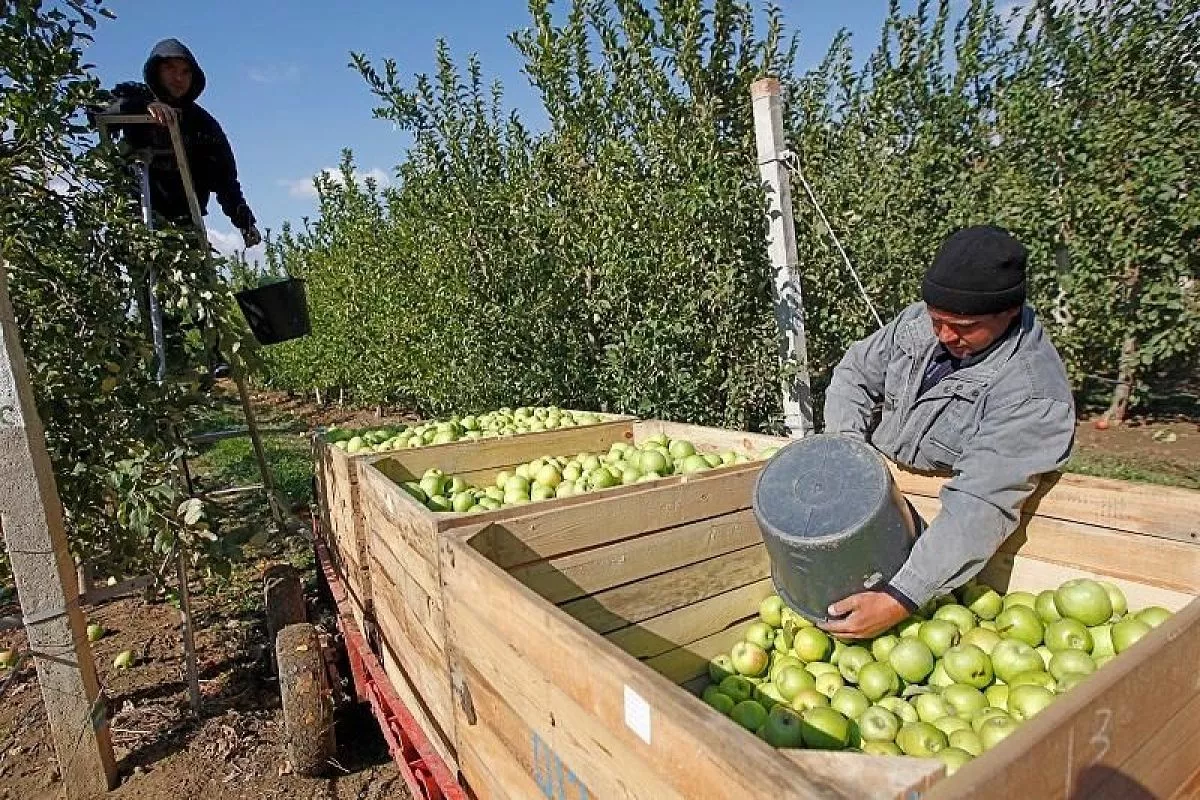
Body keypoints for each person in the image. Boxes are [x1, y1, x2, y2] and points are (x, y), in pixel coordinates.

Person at [818, 224, 1076, 640]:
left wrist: (901, 598)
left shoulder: (1030, 393)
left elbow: (980, 504)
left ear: (1009, 312)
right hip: (882, 504)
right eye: (936, 319)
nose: (944, 335)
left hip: (941, 543)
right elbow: (855, 374)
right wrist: (851, 454)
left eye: (964, 326)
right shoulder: (920, 322)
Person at [100, 37, 261, 246]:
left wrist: (245, 222)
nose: (178, 78)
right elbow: (97, 111)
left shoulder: (203, 125)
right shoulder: (133, 98)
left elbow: (225, 180)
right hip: (133, 218)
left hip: (183, 226)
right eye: (170, 69)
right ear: (156, 71)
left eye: (185, 72)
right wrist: (143, 107)